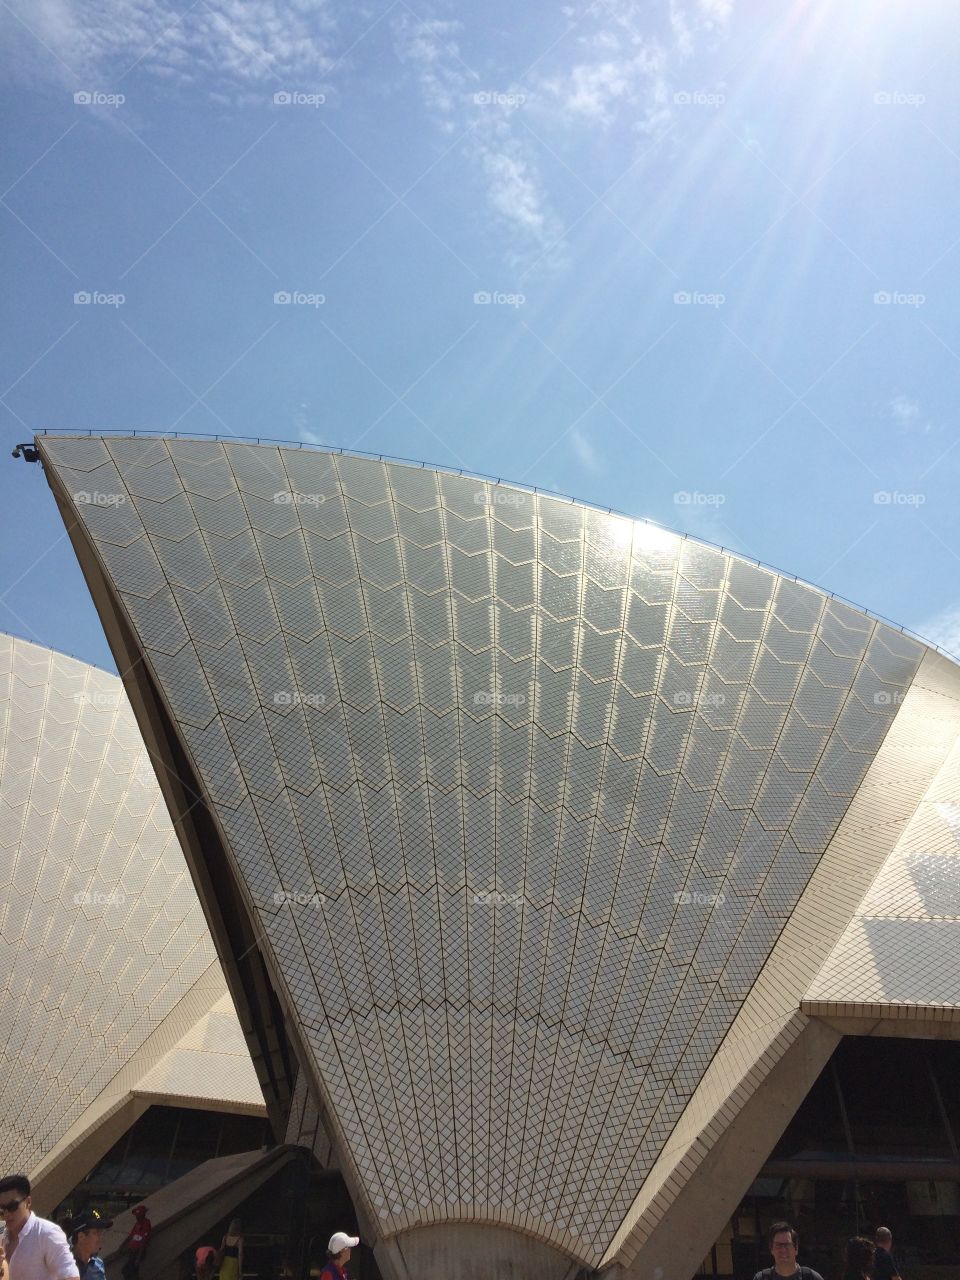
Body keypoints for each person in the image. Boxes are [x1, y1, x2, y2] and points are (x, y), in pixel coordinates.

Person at [0, 1176, 79, 1280]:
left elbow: (71, 1277)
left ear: (28, 1202)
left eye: (12, 1207)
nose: (6, 1214)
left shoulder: (47, 1233)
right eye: (1, 1209)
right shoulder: (2, 1237)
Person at [752, 1221, 825, 1280]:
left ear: (796, 1249)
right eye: (778, 1245)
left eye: (787, 1245)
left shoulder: (811, 1277)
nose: (783, 1250)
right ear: (771, 1249)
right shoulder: (761, 1278)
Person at [65, 1211, 113, 1280]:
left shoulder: (98, 1264)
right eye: (96, 1233)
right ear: (81, 1237)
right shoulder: (63, 1266)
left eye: (101, 1232)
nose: (100, 1237)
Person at [119, 1208, 150, 1280]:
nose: (137, 1218)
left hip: (138, 1252)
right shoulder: (137, 1224)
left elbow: (143, 1242)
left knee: (127, 1271)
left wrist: (138, 1258)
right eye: (136, 1216)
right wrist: (122, 1246)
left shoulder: (146, 1224)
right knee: (130, 1270)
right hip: (132, 1251)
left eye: (138, 1216)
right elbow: (131, 1236)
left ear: (143, 1216)